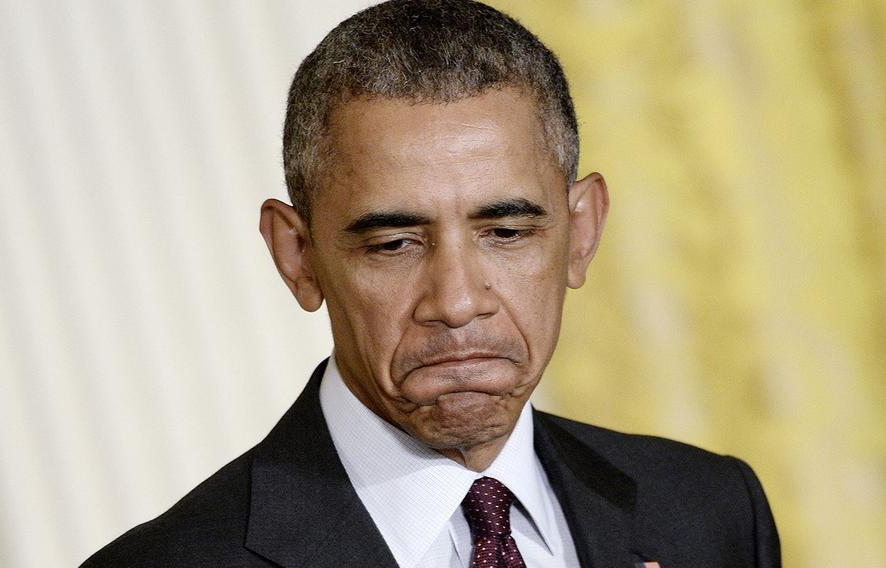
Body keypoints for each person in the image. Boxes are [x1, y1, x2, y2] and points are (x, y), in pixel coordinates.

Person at [82, 1, 780, 566]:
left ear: (582, 232)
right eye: (394, 243)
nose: (456, 302)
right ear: (298, 256)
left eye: (506, 233)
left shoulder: (710, 510)